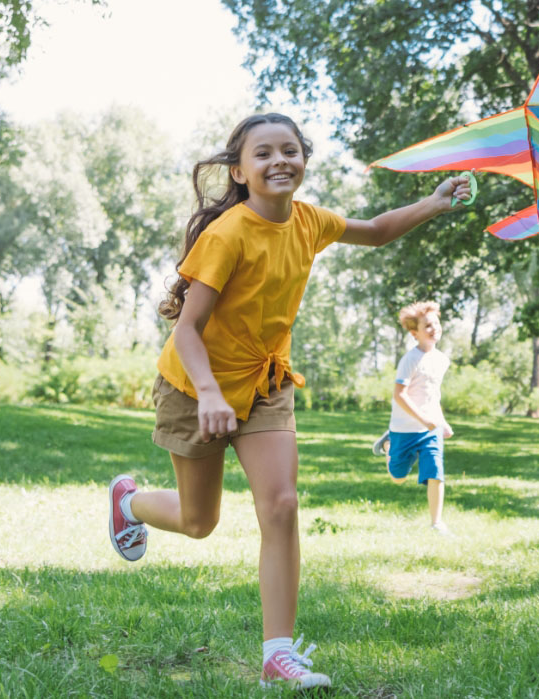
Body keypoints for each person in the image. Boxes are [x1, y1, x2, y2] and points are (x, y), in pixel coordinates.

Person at [106, 113, 471, 691]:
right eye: (264, 153)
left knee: (281, 506)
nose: (280, 160)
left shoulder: (308, 221)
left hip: (265, 382)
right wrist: (207, 395)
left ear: (303, 160)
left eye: (291, 150)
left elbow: (375, 229)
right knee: (200, 521)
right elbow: (187, 330)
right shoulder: (227, 235)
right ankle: (129, 501)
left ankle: (277, 653)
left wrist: (434, 200)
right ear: (240, 170)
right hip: (193, 387)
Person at [371, 301, 453, 533]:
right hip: (404, 429)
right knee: (398, 477)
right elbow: (399, 395)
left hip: (430, 430)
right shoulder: (410, 360)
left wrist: (439, 422)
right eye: (427, 325)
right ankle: (388, 446)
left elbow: (432, 396)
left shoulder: (441, 360)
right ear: (414, 332)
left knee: (436, 472)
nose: (434, 328)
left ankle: (436, 523)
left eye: (436, 323)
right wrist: (423, 419)